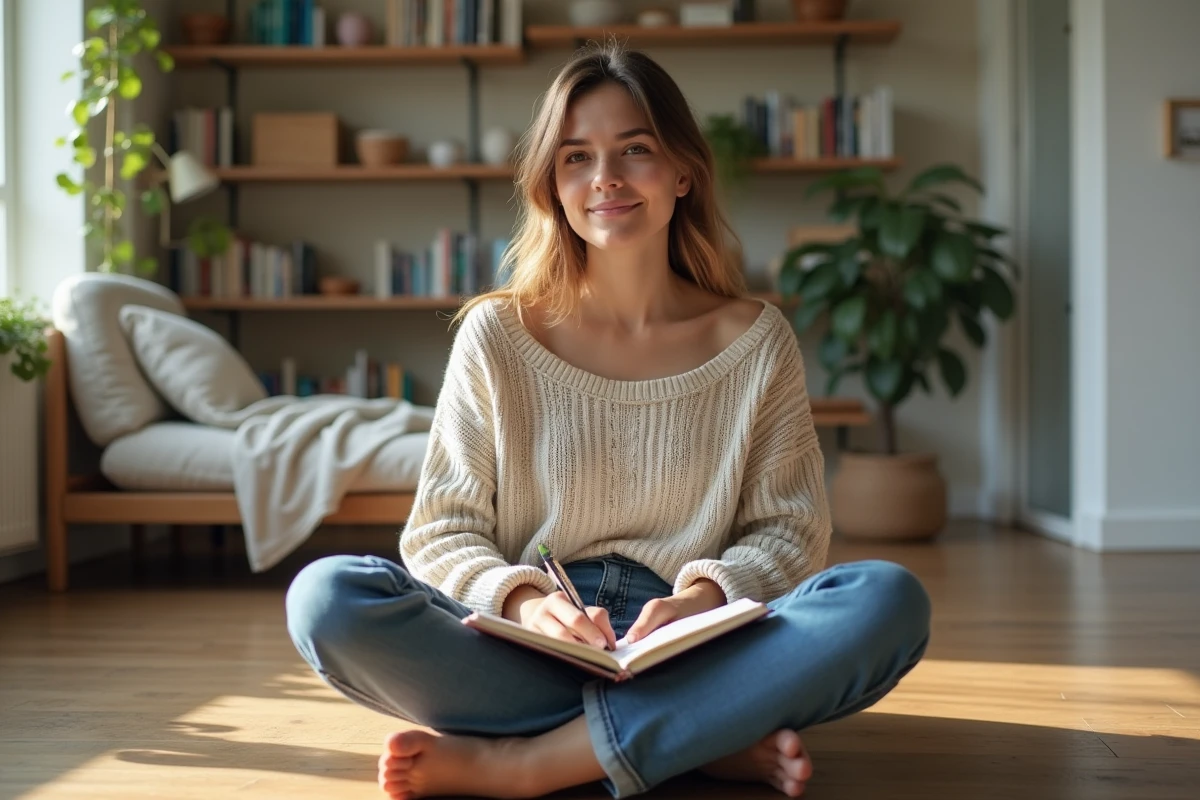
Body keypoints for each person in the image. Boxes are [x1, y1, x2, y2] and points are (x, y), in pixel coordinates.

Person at [286, 43, 931, 800]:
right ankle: (699, 736)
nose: (606, 180)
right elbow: (440, 531)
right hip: (526, 644)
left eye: (636, 150)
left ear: (684, 172)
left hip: (698, 645)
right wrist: (530, 603)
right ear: (551, 185)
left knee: (888, 600)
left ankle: (531, 762)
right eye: (576, 158)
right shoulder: (497, 336)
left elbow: (788, 531)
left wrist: (698, 603)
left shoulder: (756, 341)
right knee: (327, 598)